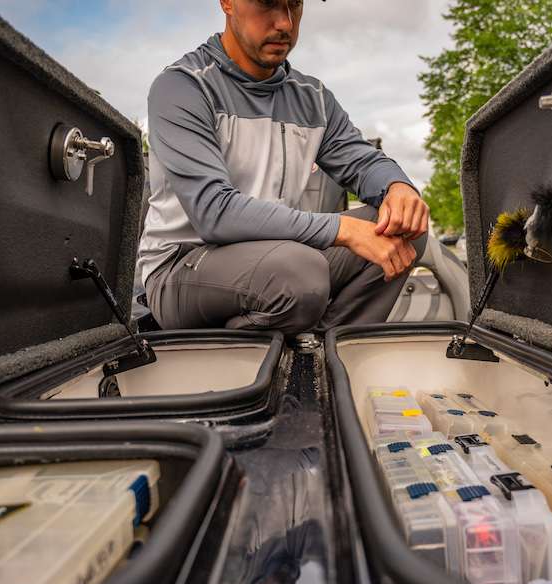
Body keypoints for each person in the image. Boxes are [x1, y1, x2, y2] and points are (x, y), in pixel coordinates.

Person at [138, 0, 430, 334]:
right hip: (182, 270)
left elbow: (363, 160)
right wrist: (343, 230)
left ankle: (323, 354)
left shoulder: (313, 98)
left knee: (403, 229)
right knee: (299, 275)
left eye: (294, 4)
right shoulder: (183, 86)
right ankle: (238, 361)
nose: (286, 24)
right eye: (269, 3)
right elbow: (214, 213)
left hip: (278, 258)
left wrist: (398, 187)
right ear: (227, 3)